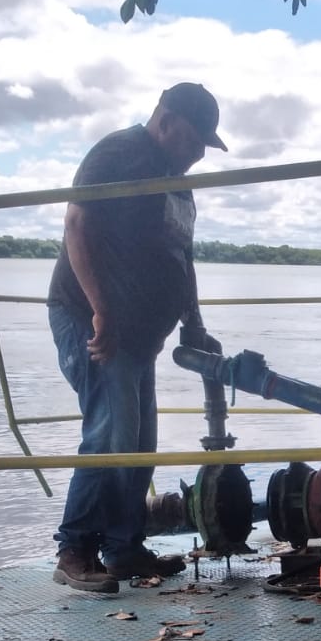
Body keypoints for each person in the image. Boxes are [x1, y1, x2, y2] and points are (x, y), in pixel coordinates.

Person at [47, 83, 227, 593]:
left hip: (140, 336)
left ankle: (124, 548)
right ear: (166, 121)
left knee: (141, 441)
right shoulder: (119, 153)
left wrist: (193, 321)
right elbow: (76, 225)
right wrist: (101, 310)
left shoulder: (177, 181)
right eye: (195, 141)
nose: (198, 154)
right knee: (110, 435)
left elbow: (182, 256)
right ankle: (75, 549)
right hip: (91, 319)